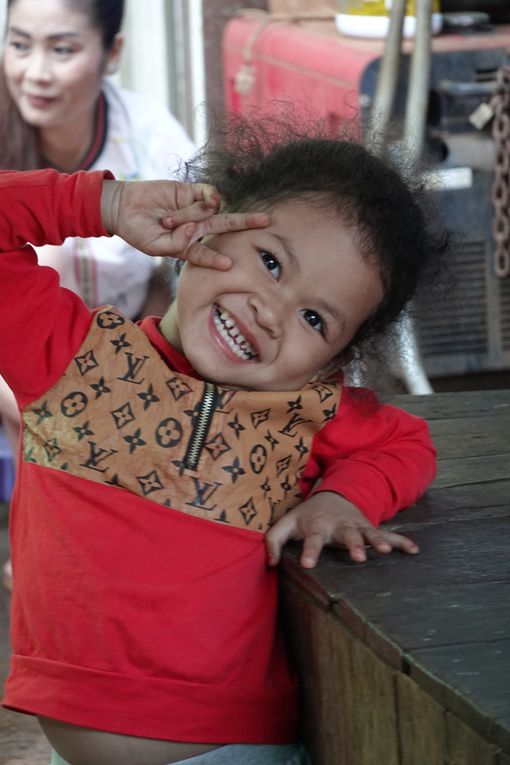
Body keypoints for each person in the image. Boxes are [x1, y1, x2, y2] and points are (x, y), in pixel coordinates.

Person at [0, 120, 444, 764]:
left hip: (238, 753)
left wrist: (344, 499)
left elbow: (406, 444)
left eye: (314, 319)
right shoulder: (67, 356)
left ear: (333, 363)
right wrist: (104, 203)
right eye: (270, 262)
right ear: (206, 221)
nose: (271, 309)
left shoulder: (303, 407)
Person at [0, 0, 196, 590]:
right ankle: (33, 527)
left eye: (62, 49)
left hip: (120, 350)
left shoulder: (149, 140)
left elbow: (185, 270)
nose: (35, 72)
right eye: (19, 45)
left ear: (112, 52)